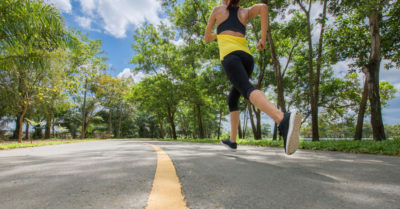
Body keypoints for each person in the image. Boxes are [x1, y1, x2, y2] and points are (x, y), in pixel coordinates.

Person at [204, 0, 302, 155]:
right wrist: (262, 39)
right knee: (232, 99)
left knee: (247, 89)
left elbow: (207, 38)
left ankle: (282, 118)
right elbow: (263, 7)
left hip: (230, 56)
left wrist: (218, 33)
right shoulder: (244, 12)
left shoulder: (217, 10)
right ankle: (233, 141)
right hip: (247, 59)